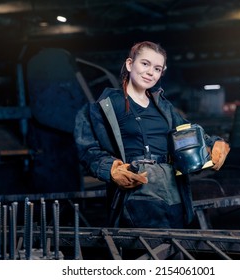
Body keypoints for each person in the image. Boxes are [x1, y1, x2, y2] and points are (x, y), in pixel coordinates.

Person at [74, 41, 230, 228]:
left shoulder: (163, 106)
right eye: (145, 64)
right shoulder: (105, 105)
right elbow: (87, 148)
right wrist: (111, 169)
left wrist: (214, 144)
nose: (150, 72)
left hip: (174, 189)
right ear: (130, 64)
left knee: (175, 246)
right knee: (149, 249)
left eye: (157, 68)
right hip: (138, 191)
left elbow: (188, 133)